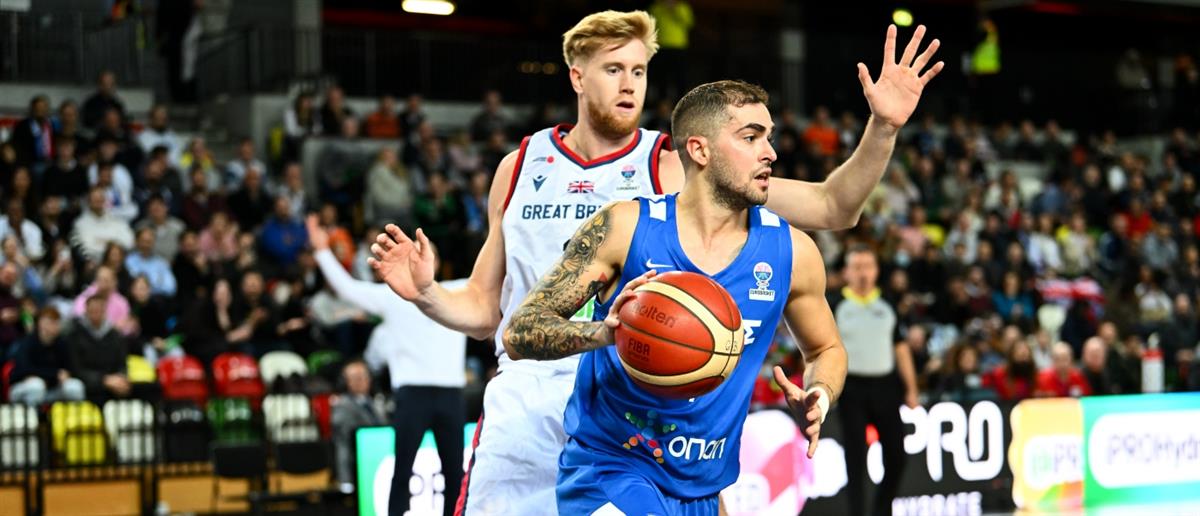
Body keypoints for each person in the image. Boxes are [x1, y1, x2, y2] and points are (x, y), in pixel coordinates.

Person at [368, 13, 942, 514]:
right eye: (614, 69)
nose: (630, 84)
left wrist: (883, 128)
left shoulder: (673, 162)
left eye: (640, 71)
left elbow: (832, 205)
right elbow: (489, 311)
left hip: (643, 396)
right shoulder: (519, 166)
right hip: (531, 396)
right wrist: (426, 294)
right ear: (577, 76)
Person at [500, 80, 847, 514]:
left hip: (702, 486)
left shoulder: (792, 252)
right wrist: (605, 334)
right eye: (751, 137)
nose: (770, 153)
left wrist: (820, 393)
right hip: (611, 471)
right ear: (699, 150)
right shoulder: (625, 227)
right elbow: (519, 331)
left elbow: (826, 349)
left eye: (769, 137)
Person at [308, 216, 468, 516]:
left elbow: (497, 275)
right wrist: (322, 252)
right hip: (411, 394)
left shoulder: (459, 291)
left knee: (455, 475)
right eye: (416, 253)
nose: (423, 258)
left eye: (428, 253)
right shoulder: (394, 297)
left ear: (436, 261)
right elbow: (347, 288)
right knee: (402, 470)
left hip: (451, 395)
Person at [829, 245, 917, 516]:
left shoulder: (888, 303)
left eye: (868, 266)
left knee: (897, 455)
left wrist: (912, 389)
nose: (863, 273)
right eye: (857, 267)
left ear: (877, 270)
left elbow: (901, 348)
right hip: (851, 388)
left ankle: (882, 510)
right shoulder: (835, 304)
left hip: (886, 386)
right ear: (846, 272)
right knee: (855, 459)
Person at [7, 307, 86, 405]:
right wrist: (54, 374)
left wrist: (64, 375)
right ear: (40, 323)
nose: (55, 326)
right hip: (22, 387)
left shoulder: (62, 343)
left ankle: (69, 414)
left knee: (75, 386)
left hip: (52, 387)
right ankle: (32, 414)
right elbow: (24, 370)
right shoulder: (27, 342)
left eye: (57, 322)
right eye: (51, 322)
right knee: (36, 385)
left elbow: (70, 369)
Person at [330, 359, 386, 487]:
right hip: (356, 464)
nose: (361, 381)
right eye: (356, 377)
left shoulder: (375, 403)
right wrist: (345, 480)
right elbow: (344, 442)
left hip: (379, 461)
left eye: (364, 376)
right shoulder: (342, 406)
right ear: (346, 382)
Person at [67, 295, 131, 404]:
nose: (96, 313)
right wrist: (104, 380)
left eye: (99, 310)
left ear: (105, 311)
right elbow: (76, 369)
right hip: (88, 383)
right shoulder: (75, 335)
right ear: (86, 311)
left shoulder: (115, 335)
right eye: (92, 310)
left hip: (114, 383)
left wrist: (120, 378)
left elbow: (122, 363)